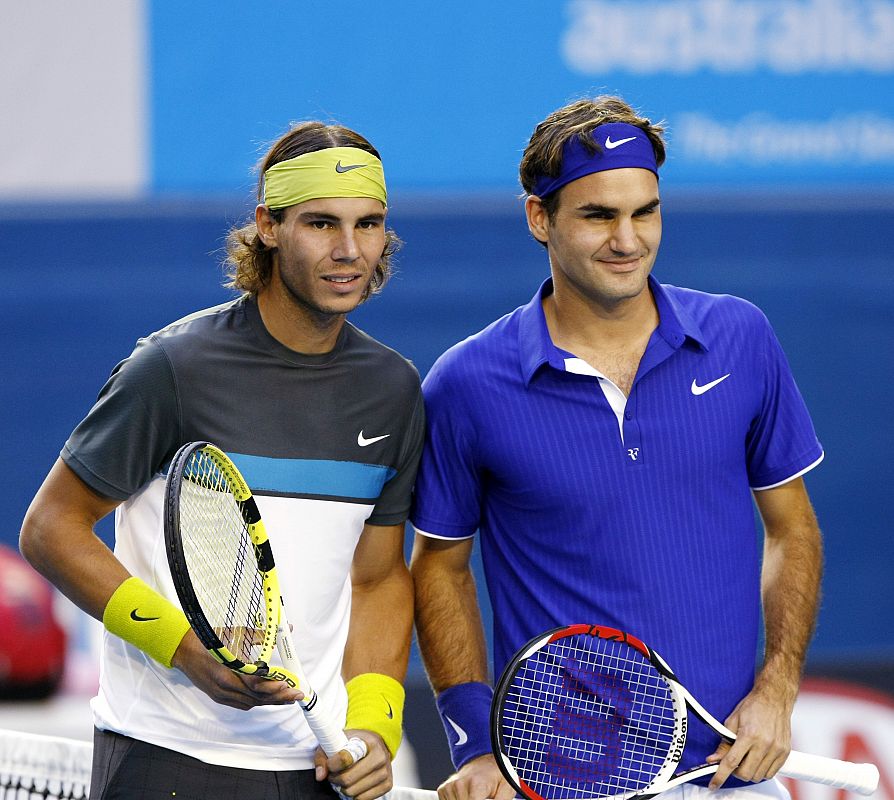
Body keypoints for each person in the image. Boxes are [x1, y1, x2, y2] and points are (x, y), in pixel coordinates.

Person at [410, 95, 824, 800]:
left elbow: (793, 529)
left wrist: (779, 686)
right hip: (562, 777)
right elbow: (440, 568)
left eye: (645, 211)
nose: (628, 239)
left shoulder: (740, 337)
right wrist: (475, 740)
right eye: (599, 215)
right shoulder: (467, 382)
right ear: (539, 218)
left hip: (733, 775)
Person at [20, 121, 424, 800]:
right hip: (164, 759)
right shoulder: (171, 367)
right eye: (321, 224)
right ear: (267, 226)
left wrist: (376, 727)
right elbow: (51, 528)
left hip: (317, 773)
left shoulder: (393, 391)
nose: (350, 250)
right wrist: (183, 648)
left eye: (370, 224)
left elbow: (379, 580)